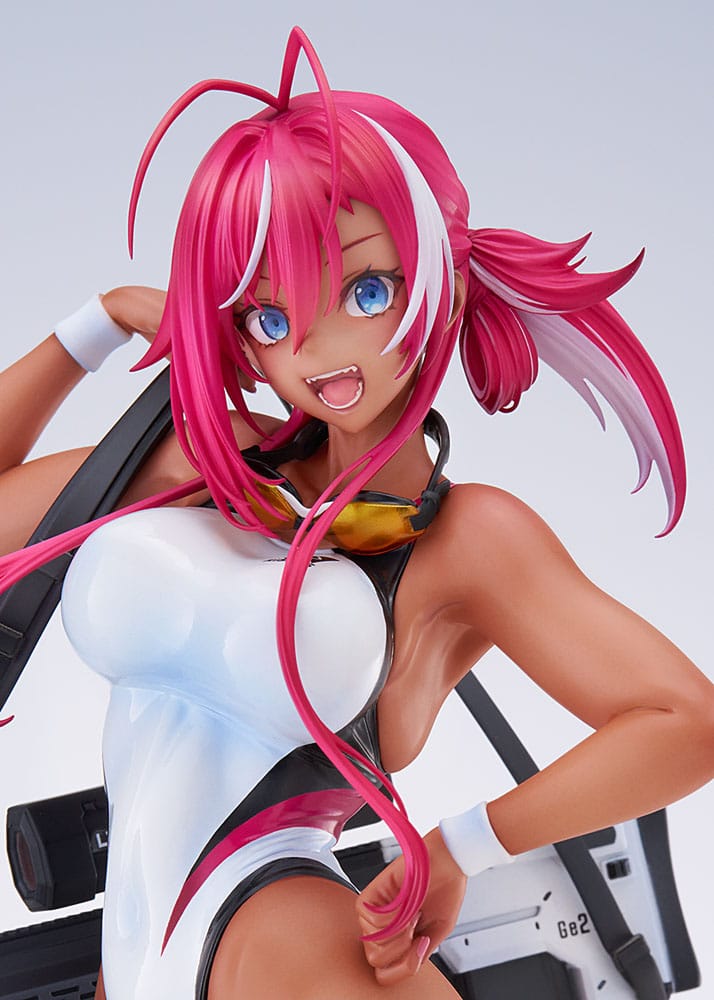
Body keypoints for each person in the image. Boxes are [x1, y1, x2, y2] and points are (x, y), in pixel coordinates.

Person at [0, 26, 712, 1000]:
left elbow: (682, 721)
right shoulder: (209, 460)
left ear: (439, 283)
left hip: (297, 938)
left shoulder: (470, 539)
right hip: (123, 958)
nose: (320, 348)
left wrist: (463, 845)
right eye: (272, 316)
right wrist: (95, 325)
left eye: (366, 290)